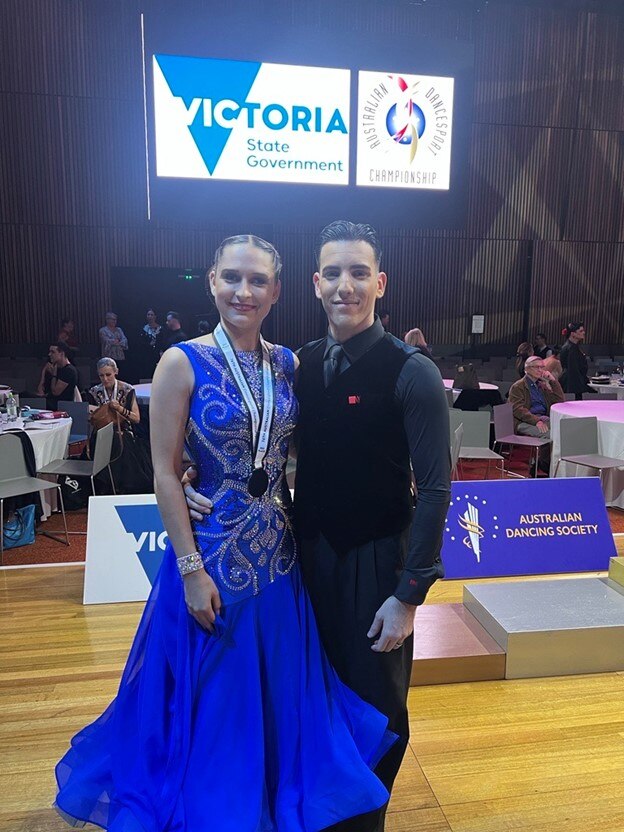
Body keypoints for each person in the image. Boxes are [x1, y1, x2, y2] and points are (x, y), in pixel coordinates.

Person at [54, 234, 396, 831]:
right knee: (215, 706)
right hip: (209, 559)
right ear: (212, 281)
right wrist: (189, 570)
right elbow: (163, 471)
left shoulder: (287, 363)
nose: (245, 291)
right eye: (232, 278)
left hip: (280, 560)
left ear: (278, 291)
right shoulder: (180, 361)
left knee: (276, 702)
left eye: (258, 281)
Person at [186, 221, 451, 832]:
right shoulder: (298, 365)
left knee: (377, 709)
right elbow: (260, 446)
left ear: (379, 283)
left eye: (358, 272)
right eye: (332, 272)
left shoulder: (412, 373)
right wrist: (192, 474)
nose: (345, 285)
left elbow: (437, 490)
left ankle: (365, 823)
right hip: (304, 560)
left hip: (378, 563)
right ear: (313, 283)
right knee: (313, 698)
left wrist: (410, 595)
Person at [86, 358, 153, 494]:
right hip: (101, 432)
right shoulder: (94, 391)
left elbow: (136, 418)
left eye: (108, 375)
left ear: (116, 372)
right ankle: (107, 486)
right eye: (101, 375)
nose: (105, 379)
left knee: (118, 442)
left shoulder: (127, 389)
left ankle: (118, 487)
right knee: (104, 442)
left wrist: (120, 409)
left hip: (123, 431)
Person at [509, 355, 564, 473]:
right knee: (550, 435)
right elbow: (518, 409)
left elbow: (559, 401)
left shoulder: (542, 385)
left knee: (562, 431)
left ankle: (545, 463)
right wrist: (536, 421)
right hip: (524, 421)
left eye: (542, 367)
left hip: (543, 419)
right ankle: (542, 464)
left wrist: (553, 381)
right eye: (536, 367)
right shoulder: (518, 386)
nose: (540, 370)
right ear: (527, 369)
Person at [36, 342, 79, 410]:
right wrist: (44, 371)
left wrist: (54, 374)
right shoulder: (53, 368)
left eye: (53, 352)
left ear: (61, 353)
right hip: (48, 400)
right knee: (24, 395)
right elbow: (40, 390)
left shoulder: (69, 370)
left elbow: (55, 392)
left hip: (60, 405)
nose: (49, 354)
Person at [560, 322, 592, 400]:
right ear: (573, 334)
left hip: (573, 382)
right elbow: (573, 369)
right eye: (581, 331)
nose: (584, 333)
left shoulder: (573, 346)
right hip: (572, 384)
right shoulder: (571, 348)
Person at [137, 308, 161, 379]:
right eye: (148, 315)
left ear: (155, 316)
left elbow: (162, 341)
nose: (150, 316)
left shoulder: (160, 328)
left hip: (157, 354)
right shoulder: (143, 328)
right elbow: (140, 342)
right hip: (146, 355)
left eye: (152, 315)